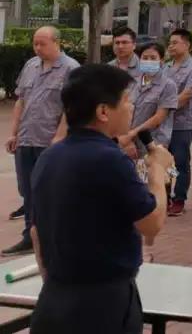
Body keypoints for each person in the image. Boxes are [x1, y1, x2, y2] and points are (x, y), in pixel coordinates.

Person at [28, 64, 173, 334]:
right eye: (126, 101)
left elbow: (36, 232)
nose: (131, 107)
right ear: (103, 111)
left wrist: (56, 286)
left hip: (53, 300)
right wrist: (157, 172)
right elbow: (151, 224)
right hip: (103, 305)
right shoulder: (111, 159)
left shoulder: (49, 157)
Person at [3, 27, 80, 256]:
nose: (37, 48)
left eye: (42, 44)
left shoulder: (71, 69)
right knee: (27, 190)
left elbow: (72, 106)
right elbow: (21, 100)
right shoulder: (31, 65)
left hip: (50, 141)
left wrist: (60, 135)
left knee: (50, 190)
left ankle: (54, 237)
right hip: (26, 138)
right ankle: (30, 236)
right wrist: (14, 132)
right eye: (35, 43)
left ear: (57, 42)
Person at [163, 28, 192, 217]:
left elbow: (187, 95)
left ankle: (179, 198)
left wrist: (164, 109)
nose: (171, 46)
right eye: (170, 43)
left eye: (175, 43)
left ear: (187, 44)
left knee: (180, 161)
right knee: (165, 162)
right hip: (162, 124)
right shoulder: (165, 67)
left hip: (182, 123)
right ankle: (164, 196)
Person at [117, 42, 178, 154]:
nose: (148, 61)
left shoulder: (168, 85)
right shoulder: (133, 82)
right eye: (145, 58)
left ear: (161, 60)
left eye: (153, 58)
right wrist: (127, 137)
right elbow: (124, 109)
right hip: (129, 142)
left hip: (153, 142)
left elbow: (159, 117)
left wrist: (132, 133)